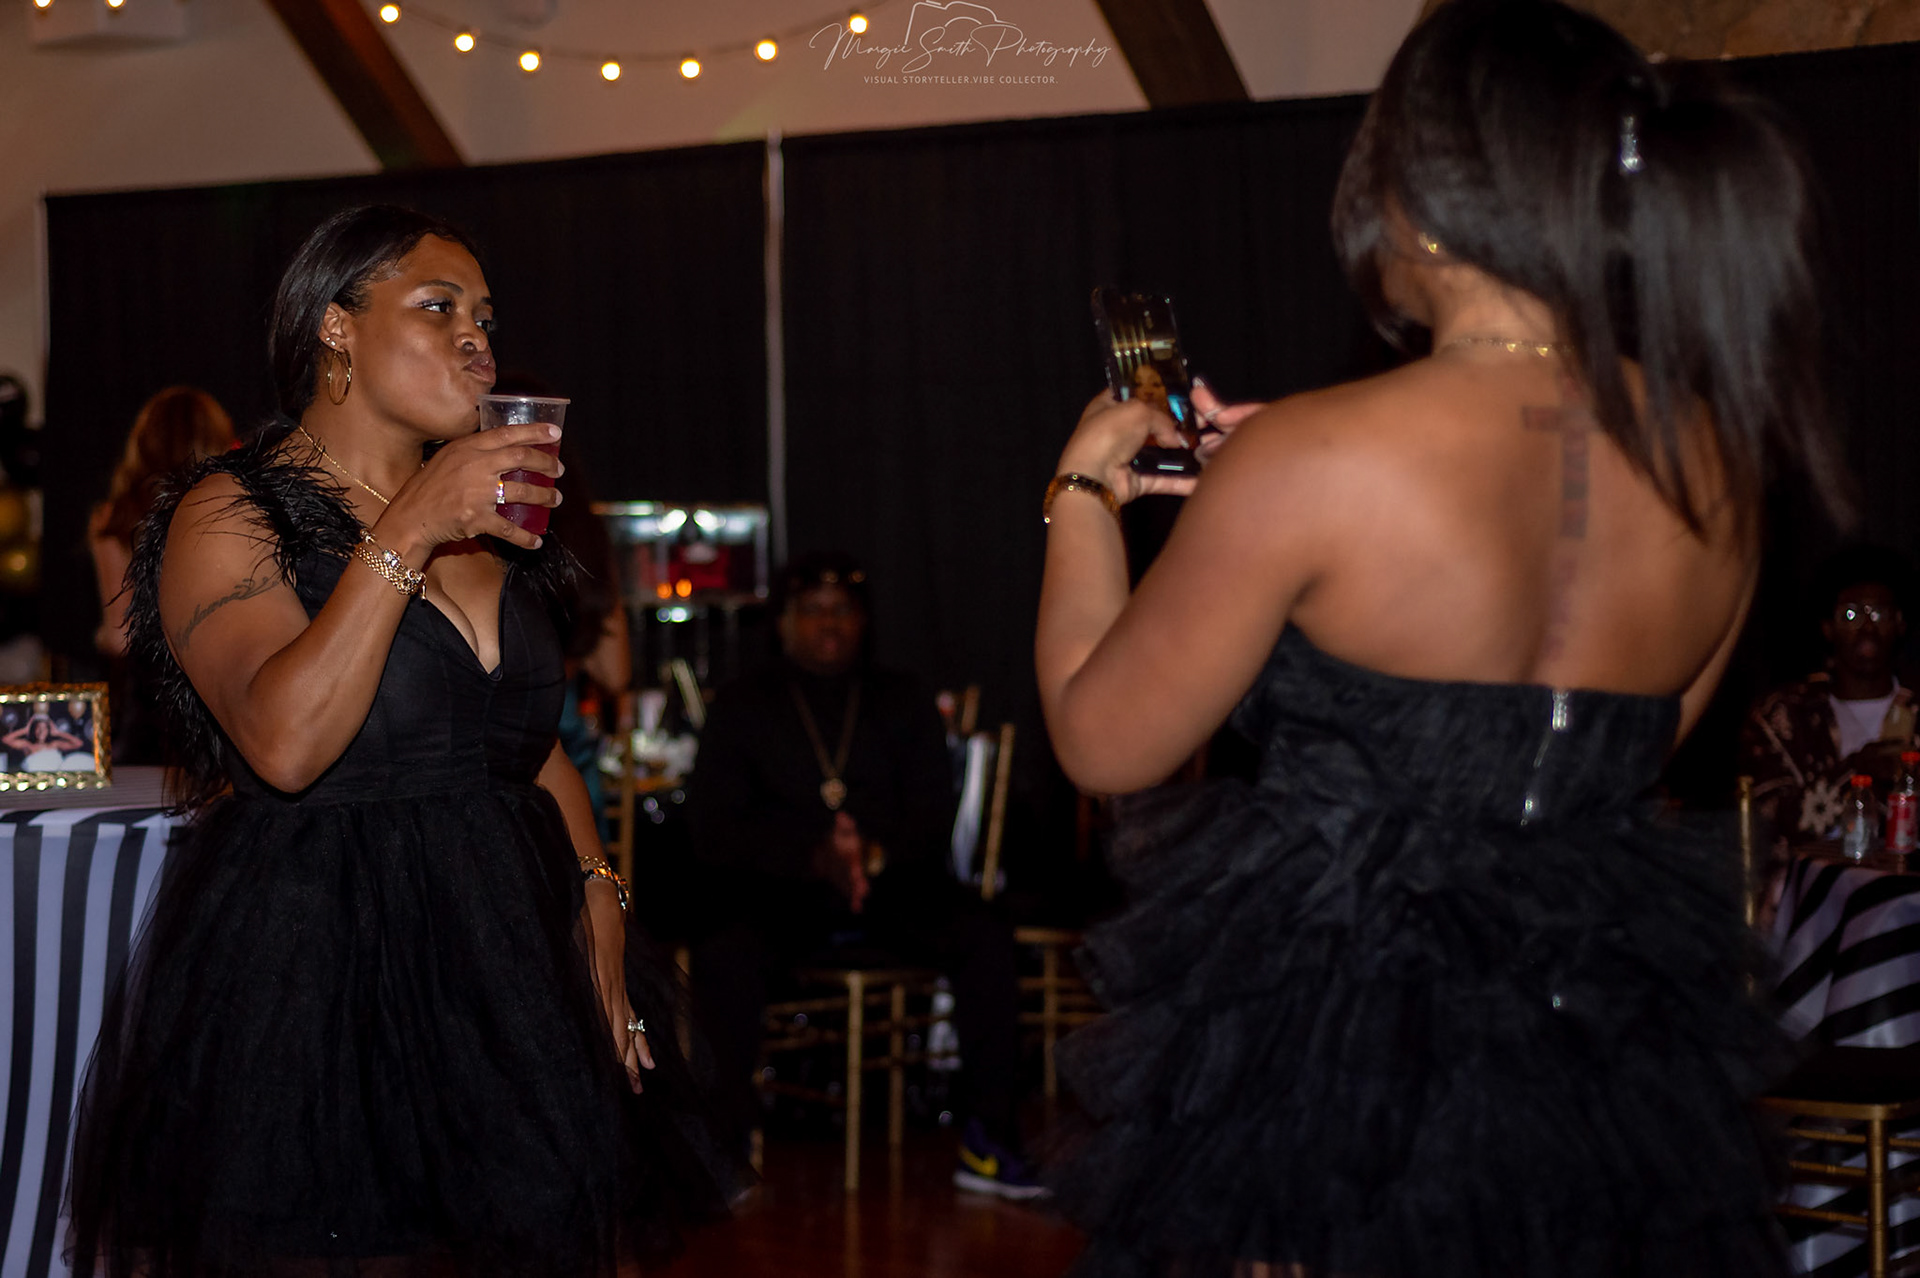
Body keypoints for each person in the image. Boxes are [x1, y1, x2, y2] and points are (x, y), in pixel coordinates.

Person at [1033, 2, 1843, 1274]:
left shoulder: (1315, 455)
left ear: (1413, 194)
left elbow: (1102, 740)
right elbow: (1623, 751)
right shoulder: (1723, 466)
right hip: (1595, 1062)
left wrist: (1082, 494)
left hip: (1331, 1068)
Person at [64, 205, 739, 1277]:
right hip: (325, 963)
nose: (477, 340)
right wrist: (410, 527)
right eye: (438, 308)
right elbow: (284, 743)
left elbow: (526, 748)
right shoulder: (232, 513)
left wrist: (599, 893)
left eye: (486, 318)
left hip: (507, 961)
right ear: (335, 325)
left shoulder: (495, 526)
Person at [686, 551, 1042, 1198]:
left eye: (843, 610)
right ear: (784, 622)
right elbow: (714, 830)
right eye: (813, 610)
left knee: (987, 935)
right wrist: (814, 857)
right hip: (783, 890)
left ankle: (989, 1140)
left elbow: (933, 813)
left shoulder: (901, 696)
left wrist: (869, 856)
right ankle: (721, 1148)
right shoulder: (743, 704)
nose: (829, 623)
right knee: (722, 950)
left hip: (892, 885)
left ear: (864, 621)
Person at [89, 385, 236, 763]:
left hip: (154, 706)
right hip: (225, 702)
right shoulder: (234, 513)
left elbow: (119, 635)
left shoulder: (115, 518)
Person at [1741, 547, 1918, 844]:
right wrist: (1856, 770)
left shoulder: (1915, 711)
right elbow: (1765, 820)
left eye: (1880, 614)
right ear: (1827, 627)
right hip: (1808, 874)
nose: (1867, 628)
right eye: (1851, 614)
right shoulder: (1784, 715)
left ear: (1900, 624)